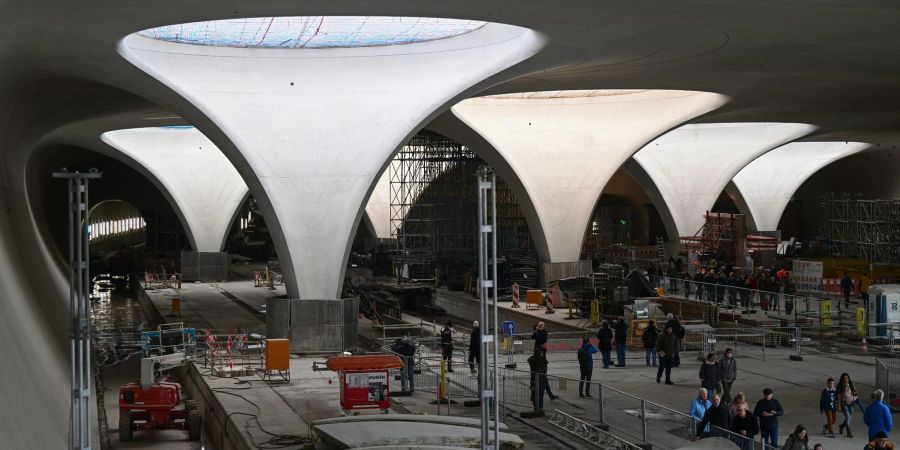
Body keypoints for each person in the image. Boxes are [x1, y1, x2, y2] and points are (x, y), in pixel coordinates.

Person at [839, 373, 862, 438]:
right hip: (844, 404)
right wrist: (839, 405)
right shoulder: (841, 386)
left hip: (851, 404)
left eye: (847, 378)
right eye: (844, 378)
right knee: (848, 417)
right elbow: (839, 396)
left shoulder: (851, 385)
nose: (846, 379)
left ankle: (841, 426)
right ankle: (849, 432)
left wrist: (855, 392)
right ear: (842, 379)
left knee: (848, 418)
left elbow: (856, 393)